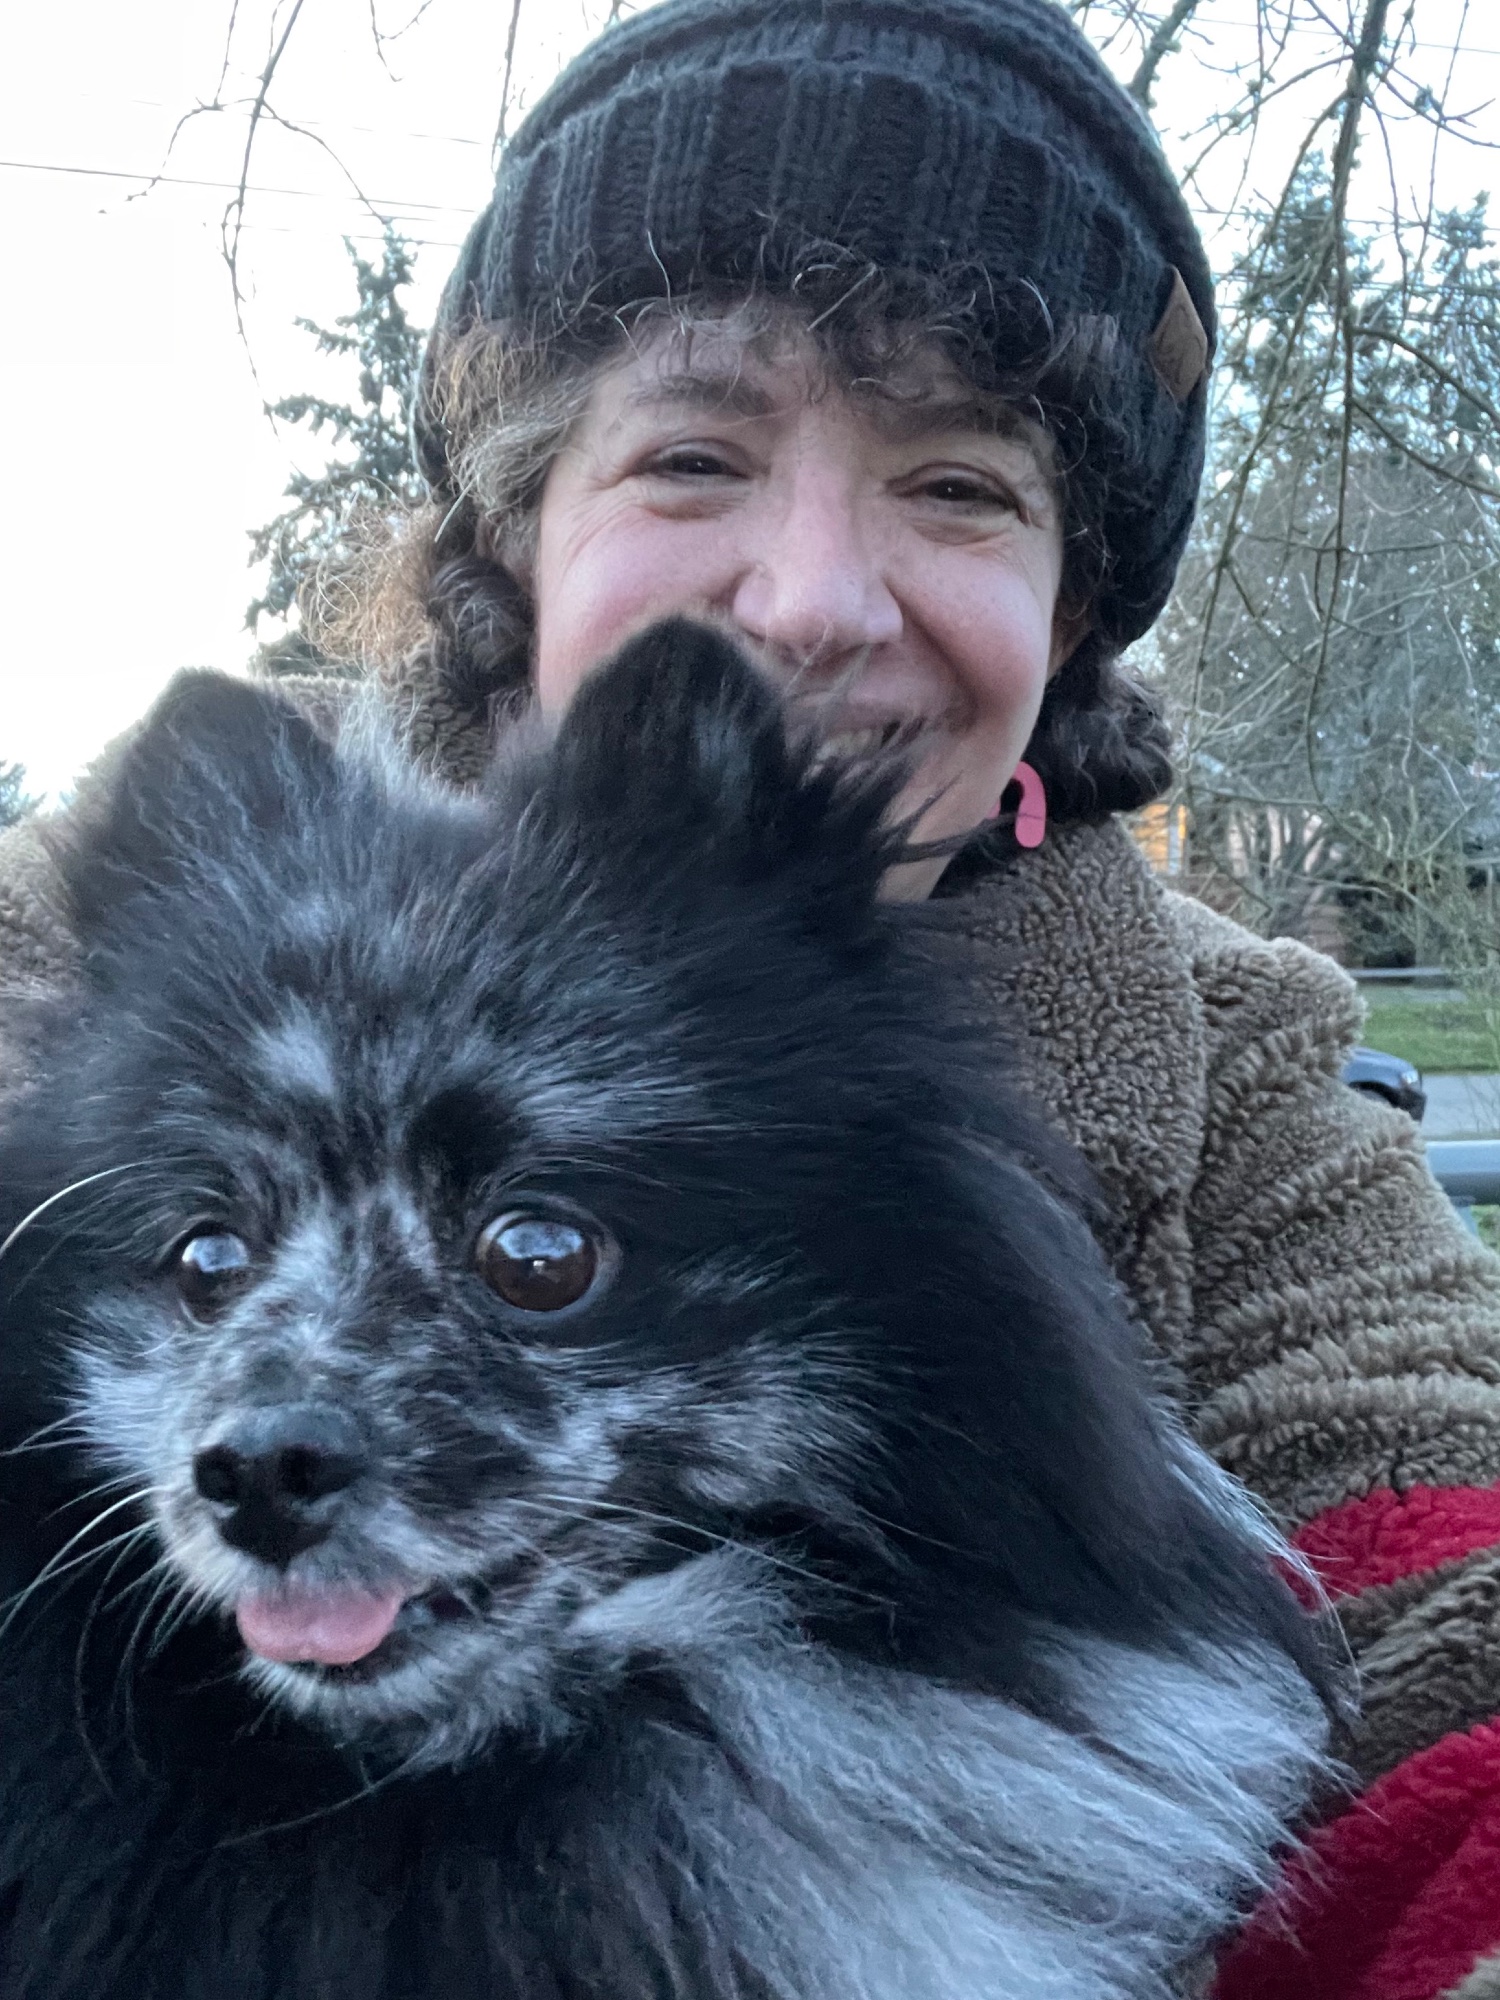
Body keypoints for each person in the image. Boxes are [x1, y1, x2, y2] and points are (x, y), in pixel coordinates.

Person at [5, 0, 1500, 1989]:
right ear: (515, 529)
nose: (812, 597)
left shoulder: (1244, 1077)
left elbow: (1454, 1605)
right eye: (694, 455)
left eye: (957, 485)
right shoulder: (84, 929)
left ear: (1069, 603)